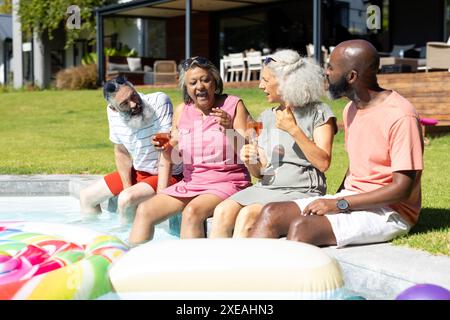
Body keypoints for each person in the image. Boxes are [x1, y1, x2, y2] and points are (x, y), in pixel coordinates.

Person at [249, 40, 424, 248]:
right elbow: (359, 166)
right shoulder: (351, 109)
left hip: (390, 210)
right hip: (352, 198)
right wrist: (339, 196)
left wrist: (339, 204)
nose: (326, 73)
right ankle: (251, 279)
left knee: (302, 227)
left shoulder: (401, 116)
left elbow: (401, 190)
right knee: (271, 213)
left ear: (351, 76)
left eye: (331, 68)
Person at [210, 49, 337, 238]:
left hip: (301, 189)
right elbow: (259, 172)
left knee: (248, 215)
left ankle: (238, 267)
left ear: (287, 82)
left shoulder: (318, 112)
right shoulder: (266, 117)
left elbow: (323, 163)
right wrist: (250, 159)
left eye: (266, 80)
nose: (261, 85)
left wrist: (293, 129)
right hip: (267, 187)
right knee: (222, 211)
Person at [128, 57, 252, 245]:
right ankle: (131, 265)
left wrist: (230, 130)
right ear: (186, 88)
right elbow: (171, 154)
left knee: (192, 212)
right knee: (145, 210)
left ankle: (189, 270)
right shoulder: (182, 111)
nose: (200, 86)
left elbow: (248, 152)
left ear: (215, 82)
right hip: (192, 183)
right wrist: (166, 151)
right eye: (193, 82)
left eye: (205, 80)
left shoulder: (233, 105)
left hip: (227, 181)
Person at [79, 76, 183, 223]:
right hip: (140, 172)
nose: (134, 104)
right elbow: (121, 150)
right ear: (114, 108)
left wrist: (161, 194)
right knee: (86, 197)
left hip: (169, 173)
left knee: (126, 200)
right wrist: (127, 186)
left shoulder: (159, 101)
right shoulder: (112, 114)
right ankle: (96, 241)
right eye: (125, 104)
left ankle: (127, 242)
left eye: (133, 95)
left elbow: (166, 149)